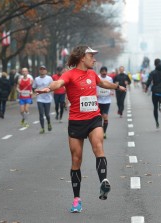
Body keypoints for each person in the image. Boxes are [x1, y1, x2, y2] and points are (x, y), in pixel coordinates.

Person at [36, 45, 126, 213]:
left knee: (98, 146)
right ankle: (77, 199)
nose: (94, 59)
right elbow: (58, 83)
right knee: (76, 160)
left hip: (93, 118)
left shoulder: (92, 73)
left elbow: (103, 83)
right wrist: (48, 88)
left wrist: (117, 86)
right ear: (82, 58)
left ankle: (103, 182)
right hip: (76, 122)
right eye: (91, 56)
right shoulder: (69, 74)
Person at [145, 58, 161, 128]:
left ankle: (157, 122)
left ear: (155, 64)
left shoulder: (153, 72)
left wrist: (146, 87)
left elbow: (149, 81)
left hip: (155, 92)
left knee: (155, 107)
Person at [33, 65, 53, 133]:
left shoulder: (49, 78)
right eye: (41, 69)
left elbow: (52, 87)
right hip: (40, 99)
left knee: (47, 114)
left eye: (43, 69)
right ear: (39, 71)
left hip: (48, 99)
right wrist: (36, 90)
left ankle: (49, 123)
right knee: (41, 114)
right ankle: (42, 128)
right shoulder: (36, 79)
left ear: (46, 71)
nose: (42, 70)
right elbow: (34, 88)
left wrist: (48, 90)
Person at [97, 66, 114, 139]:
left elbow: (111, 86)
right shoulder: (97, 77)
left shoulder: (109, 79)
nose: (104, 73)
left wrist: (111, 91)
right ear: (100, 72)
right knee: (99, 117)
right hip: (98, 100)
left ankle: (104, 132)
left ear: (106, 72)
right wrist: (95, 93)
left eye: (105, 71)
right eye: (102, 71)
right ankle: (99, 132)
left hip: (107, 100)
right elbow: (94, 86)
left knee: (105, 116)